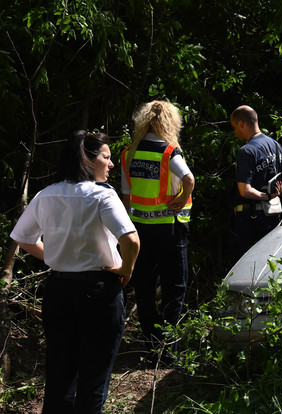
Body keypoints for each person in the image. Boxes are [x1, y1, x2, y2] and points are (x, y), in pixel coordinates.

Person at [11, 131, 140, 413]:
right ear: (86, 160)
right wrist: (126, 269)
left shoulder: (46, 194)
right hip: (99, 291)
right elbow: (131, 239)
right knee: (93, 378)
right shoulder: (101, 195)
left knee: (60, 374)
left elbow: (22, 237)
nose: (110, 164)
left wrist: (55, 258)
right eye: (106, 157)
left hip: (58, 292)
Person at [121, 100, 195, 360]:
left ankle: (152, 345)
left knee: (144, 287)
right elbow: (189, 179)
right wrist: (183, 195)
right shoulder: (169, 151)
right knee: (175, 287)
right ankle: (169, 349)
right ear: (170, 122)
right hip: (169, 229)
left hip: (140, 229)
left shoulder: (129, 153)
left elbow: (127, 196)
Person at [230, 105, 282, 260]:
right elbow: (281, 180)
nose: (236, 132)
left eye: (235, 127)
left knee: (252, 263)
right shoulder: (276, 146)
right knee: (272, 261)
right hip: (274, 214)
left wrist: (265, 196)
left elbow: (244, 190)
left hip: (253, 220)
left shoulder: (247, 151)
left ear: (241, 123)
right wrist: (272, 195)